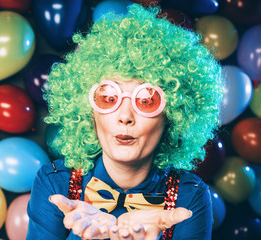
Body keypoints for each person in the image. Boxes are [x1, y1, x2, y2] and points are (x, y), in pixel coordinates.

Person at [27, 3, 223, 240]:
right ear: (90, 111)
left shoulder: (188, 198)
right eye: (109, 98)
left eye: (147, 101)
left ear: (171, 115)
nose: (125, 116)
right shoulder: (55, 184)